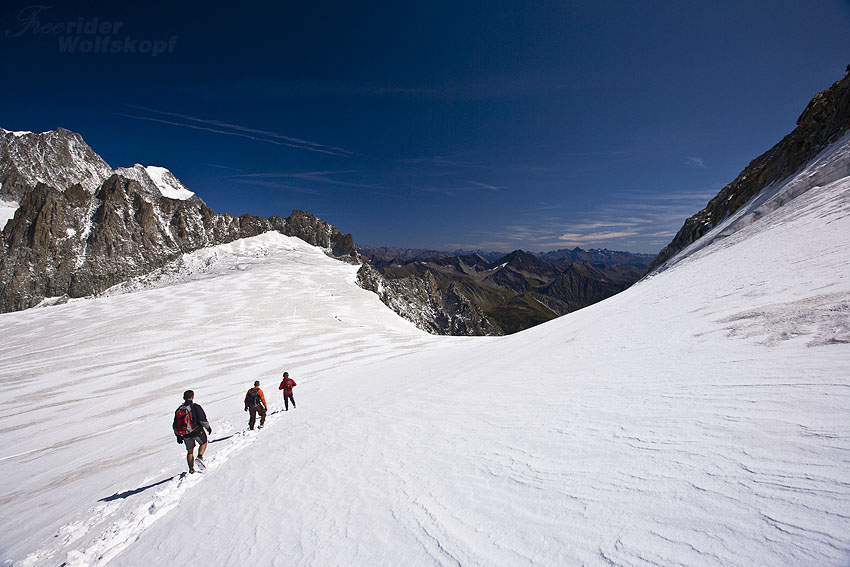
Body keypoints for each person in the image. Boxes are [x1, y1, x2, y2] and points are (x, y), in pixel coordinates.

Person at [173, 390, 211, 474]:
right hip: (196, 431)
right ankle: (199, 457)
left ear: (184, 398)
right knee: (203, 443)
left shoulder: (179, 409)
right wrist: (207, 427)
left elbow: (175, 424)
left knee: (190, 451)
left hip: (185, 434)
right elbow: (202, 419)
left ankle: (191, 469)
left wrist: (178, 436)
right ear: (192, 397)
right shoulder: (195, 407)